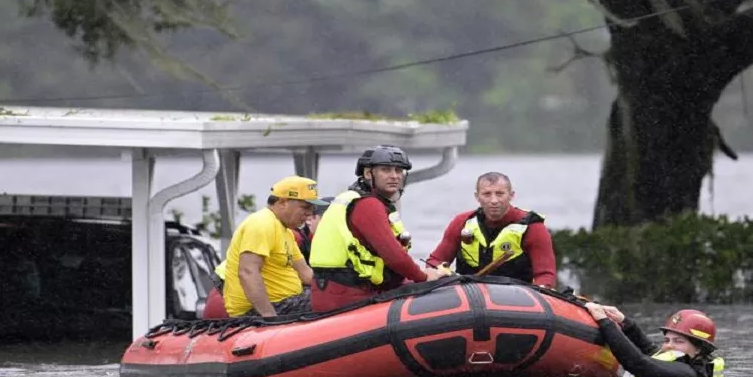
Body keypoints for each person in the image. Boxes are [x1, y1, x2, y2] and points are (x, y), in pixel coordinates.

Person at [309, 145, 445, 312]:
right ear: (368, 174)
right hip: (346, 295)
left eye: (398, 170)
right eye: (386, 170)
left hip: (337, 290)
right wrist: (424, 276)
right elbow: (394, 256)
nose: (394, 176)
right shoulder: (368, 205)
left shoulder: (357, 198)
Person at [201, 195, 332, 320]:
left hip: (250, 294)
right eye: (329, 221)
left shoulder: (291, 233)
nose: (334, 227)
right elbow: (249, 272)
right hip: (227, 299)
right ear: (311, 219)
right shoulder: (290, 234)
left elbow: (306, 276)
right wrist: (269, 315)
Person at [425, 172, 557, 287]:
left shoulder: (532, 227)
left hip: (517, 297)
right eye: (487, 194)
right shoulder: (462, 222)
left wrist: (541, 290)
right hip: (469, 295)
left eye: (500, 194)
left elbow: (545, 275)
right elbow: (434, 261)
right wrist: (441, 273)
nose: (494, 200)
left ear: (511, 195)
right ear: (477, 197)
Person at [583, 303, 725, 377]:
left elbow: (639, 363)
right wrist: (624, 322)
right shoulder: (682, 361)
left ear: (699, 349)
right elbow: (650, 350)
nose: (669, 345)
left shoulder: (686, 373)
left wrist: (605, 322)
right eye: (666, 340)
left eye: (678, 341)